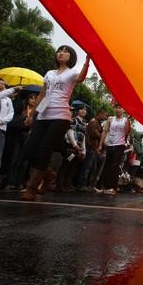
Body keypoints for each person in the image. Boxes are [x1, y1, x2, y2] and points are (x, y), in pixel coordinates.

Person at [20, 46, 90, 200]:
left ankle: (31, 187)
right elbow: (43, 94)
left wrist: (87, 62)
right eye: (59, 50)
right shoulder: (49, 73)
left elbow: (80, 79)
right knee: (30, 150)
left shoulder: (71, 73)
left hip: (60, 117)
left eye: (65, 51)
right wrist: (33, 114)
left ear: (70, 56)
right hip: (44, 115)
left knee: (45, 149)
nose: (61, 53)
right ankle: (48, 174)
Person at [97, 104, 130, 195]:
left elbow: (127, 132)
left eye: (120, 108)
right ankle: (102, 186)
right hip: (110, 145)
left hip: (120, 145)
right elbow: (104, 131)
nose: (118, 109)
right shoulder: (110, 119)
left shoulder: (125, 120)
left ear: (123, 110)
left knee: (115, 166)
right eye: (116, 108)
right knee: (107, 165)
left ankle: (113, 187)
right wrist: (100, 145)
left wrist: (128, 122)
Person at [77, 107, 107, 191]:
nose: (105, 117)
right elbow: (96, 134)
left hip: (93, 148)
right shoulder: (93, 122)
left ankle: (87, 185)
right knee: (87, 167)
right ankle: (81, 185)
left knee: (91, 168)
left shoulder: (97, 123)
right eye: (105, 115)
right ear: (100, 114)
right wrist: (102, 135)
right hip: (90, 148)